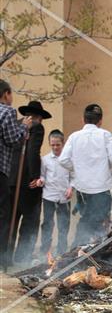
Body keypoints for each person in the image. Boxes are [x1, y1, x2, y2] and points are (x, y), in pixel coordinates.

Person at [59, 104, 112, 247]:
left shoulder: (74, 137)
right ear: (100, 120)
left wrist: (78, 170)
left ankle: (78, 249)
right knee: (101, 221)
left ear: (83, 120)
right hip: (101, 187)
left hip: (82, 187)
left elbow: (63, 160)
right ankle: (96, 250)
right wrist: (103, 167)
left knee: (86, 219)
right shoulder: (106, 135)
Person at [9, 100, 51, 265]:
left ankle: (5, 258)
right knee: (30, 222)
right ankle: (22, 258)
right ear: (38, 117)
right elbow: (33, 152)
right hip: (27, 183)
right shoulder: (37, 127)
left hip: (9, 181)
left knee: (9, 221)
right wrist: (35, 177)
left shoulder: (15, 125)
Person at [0, 79, 31, 267]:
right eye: (11, 94)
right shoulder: (8, 112)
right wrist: (24, 126)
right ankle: (2, 259)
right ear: (5, 94)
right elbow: (12, 139)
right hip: (1, 170)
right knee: (3, 213)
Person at [38, 129, 73, 257]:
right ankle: (45, 252)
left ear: (62, 144)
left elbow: (73, 177)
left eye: (58, 144)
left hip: (64, 197)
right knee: (47, 224)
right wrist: (41, 181)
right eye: (52, 144)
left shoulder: (68, 160)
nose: (55, 147)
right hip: (49, 196)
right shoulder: (45, 159)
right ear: (49, 144)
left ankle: (62, 252)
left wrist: (71, 188)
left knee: (63, 226)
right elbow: (42, 175)